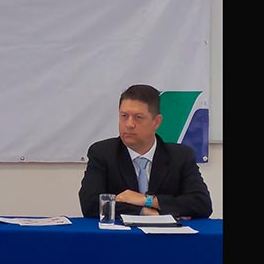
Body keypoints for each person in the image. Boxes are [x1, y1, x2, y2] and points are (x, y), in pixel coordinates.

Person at [78, 84, 212, 219]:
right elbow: (90, 204)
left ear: (157, 122)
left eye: (138, 117)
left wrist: (146, 200)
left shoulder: (180, 156)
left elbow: (202, 204)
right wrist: (146, 212)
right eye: (124, 116)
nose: (129, 124)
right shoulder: (102, 153)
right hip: (120, 238)